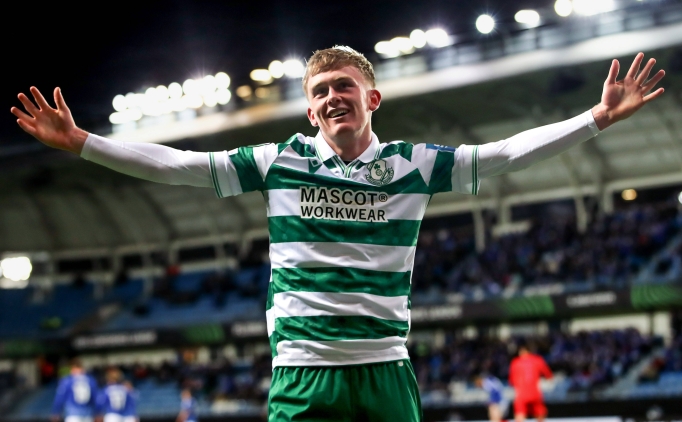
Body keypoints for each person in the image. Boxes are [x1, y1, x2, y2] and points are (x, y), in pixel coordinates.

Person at [12, 47, 665, 421]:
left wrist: (595, 118)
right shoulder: (278, 162)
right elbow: (179, 166)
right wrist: (84, 142)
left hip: (387, 371)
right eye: (320, 91)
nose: (332, 98)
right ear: (310, 109)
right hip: (304, 373)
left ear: (371, 98)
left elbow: (504, 155)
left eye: (344, 86)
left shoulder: (413, 164)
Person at [509, 342, 553, 422]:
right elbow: (548, 375)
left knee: (520, 415)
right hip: (535, 393)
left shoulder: (515, 362)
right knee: (540, 414)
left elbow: (511, 381)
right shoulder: (538, 360)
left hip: (521, 394)